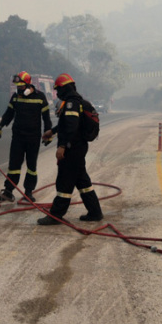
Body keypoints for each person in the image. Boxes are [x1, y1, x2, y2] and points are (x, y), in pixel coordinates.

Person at [38, 73, 103, 225]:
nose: (57, 93)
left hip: (72, 148)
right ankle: (95, 212)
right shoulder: (75, 102)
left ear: (65, 88)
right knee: (83, 182)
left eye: (58, 89)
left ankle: (56, 215)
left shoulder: (71, 104)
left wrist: (62, 146)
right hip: (78, 148)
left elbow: (71, 127)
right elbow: (66, 123)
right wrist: (52, 132)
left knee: (65, 181)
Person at [0, 71, 53, 203]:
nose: (18, 88)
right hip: (18, 137)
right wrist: (0, 126)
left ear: (28, 84)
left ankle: (28, 192)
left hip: (33, 138)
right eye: (17, 86)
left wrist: (48, 133)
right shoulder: (15, 97)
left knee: (31, 167)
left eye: (20, 86)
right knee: (14, 165)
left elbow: (46, 118)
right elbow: (8, 114)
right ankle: (8, 191)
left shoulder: (40, 97)